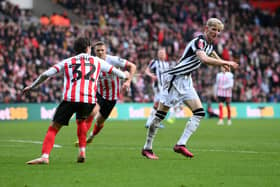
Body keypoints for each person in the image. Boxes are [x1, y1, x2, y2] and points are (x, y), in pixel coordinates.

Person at [141, 18, 239, 160]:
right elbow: (204, 59)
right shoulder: (198, 41)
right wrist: (225, 61)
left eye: (218, 31)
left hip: (186, 80)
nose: (216, 32)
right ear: (206, 28)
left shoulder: (210, 45)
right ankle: (147, 147)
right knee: (160, 116)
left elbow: (210, 53)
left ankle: (181, 144)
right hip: (174, 79)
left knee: (199, 112)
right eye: (214, 29)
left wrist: (220, 62)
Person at [23, 37, 129, 164]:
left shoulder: (68, 61)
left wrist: (32, 86)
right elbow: (119, 74)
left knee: (54, 128)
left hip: (71, 98)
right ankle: (82, 152)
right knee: (81, 122)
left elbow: (46, 74)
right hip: (89, 100)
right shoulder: (97, 61)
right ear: (88, 48)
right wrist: (126, 75)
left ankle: (45, 156)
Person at [75, 41, 136, 145]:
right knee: (92, 113)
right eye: (98, 50)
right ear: (94, 51)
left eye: (102, 50)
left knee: (99, 122)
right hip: (99, 94)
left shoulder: (113, 60)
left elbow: (132, 66)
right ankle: (82, 139)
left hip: (112, 98)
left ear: (106, 50)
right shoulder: (92, 62)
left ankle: (91, 136)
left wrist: (128, 80)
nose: (100, 52)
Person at [145, 47, 170, 128]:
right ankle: (154, 122)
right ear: (158, 54)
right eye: (160, 53)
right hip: (158, 86)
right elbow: (146, 71)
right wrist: (152, 75)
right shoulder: (155, 62)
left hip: (165, 87)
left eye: (163, 53)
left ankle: (151, 122)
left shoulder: (167, 64)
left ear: (165, 55)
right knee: (160, 103)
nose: (161, 55)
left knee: (158, 104)